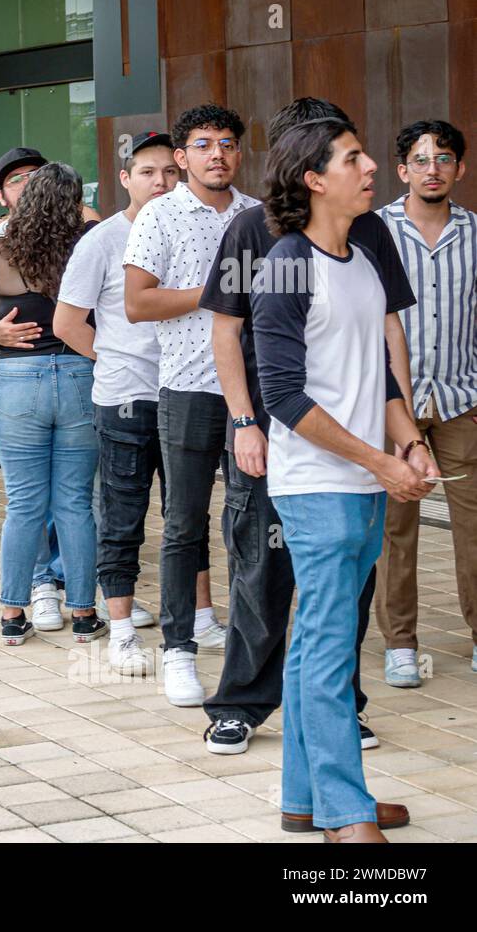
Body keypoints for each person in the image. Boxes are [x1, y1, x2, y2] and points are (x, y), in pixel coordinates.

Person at [199, 98, 415, 755]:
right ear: (305, 166)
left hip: (354, 439)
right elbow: (226, 330)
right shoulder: (253, 233)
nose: (367, 164)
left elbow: (384, 332)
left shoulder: (368, 231)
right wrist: (245, 421)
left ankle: (334, 708)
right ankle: (241, 702)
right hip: (284, 428)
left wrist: (403, 428)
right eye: (347, 153)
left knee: (342, 595)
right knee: (262, 571)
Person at [252, 116, 435, 843]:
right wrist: (378, 461)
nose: (371, 169)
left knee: (316, 646)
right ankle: (345, 813)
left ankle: (307, 798)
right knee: (330, 648)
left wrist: (410, 441)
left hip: (361, 481)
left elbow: (383, 376)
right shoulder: (287, 265)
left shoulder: (360, 256)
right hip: (317, 486)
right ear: (314, 179)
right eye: (354, 159)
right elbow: (285, 397)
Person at [124, 104, 259, 707]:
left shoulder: (260, 215)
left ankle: (251, 651)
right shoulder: (160, 214)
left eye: (227, 144)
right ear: (182, 157)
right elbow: (137, 303)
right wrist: (217, 294)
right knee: (183, 525)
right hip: (187, 388)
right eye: (203, 145)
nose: (217, 155)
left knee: (254, 525)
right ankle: (178, 649)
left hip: (256, 394)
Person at [54, 132, 180, 668]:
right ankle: (123, 629)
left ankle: (196, 618)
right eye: (148, 172)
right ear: (125, 179)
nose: (161, 182)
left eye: (170, 172)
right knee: (124, 514)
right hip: (126, 398)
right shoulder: (102, 240)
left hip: (187, 392)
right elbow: (67, 322)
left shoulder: (191, 229)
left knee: (186, 516)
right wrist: (111, 361)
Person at [0, 164, 96, 645]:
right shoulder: (91, 241)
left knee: (23, 504)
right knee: (75, 502)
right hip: (80, 372)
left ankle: (14, 615)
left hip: (16, 378)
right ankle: (83, 613)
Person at [369, 119, 477, 687]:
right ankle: (401, 643)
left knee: (474, 525)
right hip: (394, 403)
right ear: (402, 168)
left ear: (459, 168)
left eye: (444, 158)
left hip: (463, 399)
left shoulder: (476, 233)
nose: (432, 167)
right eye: (420, 158)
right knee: (397, 527)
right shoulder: (374, 230)